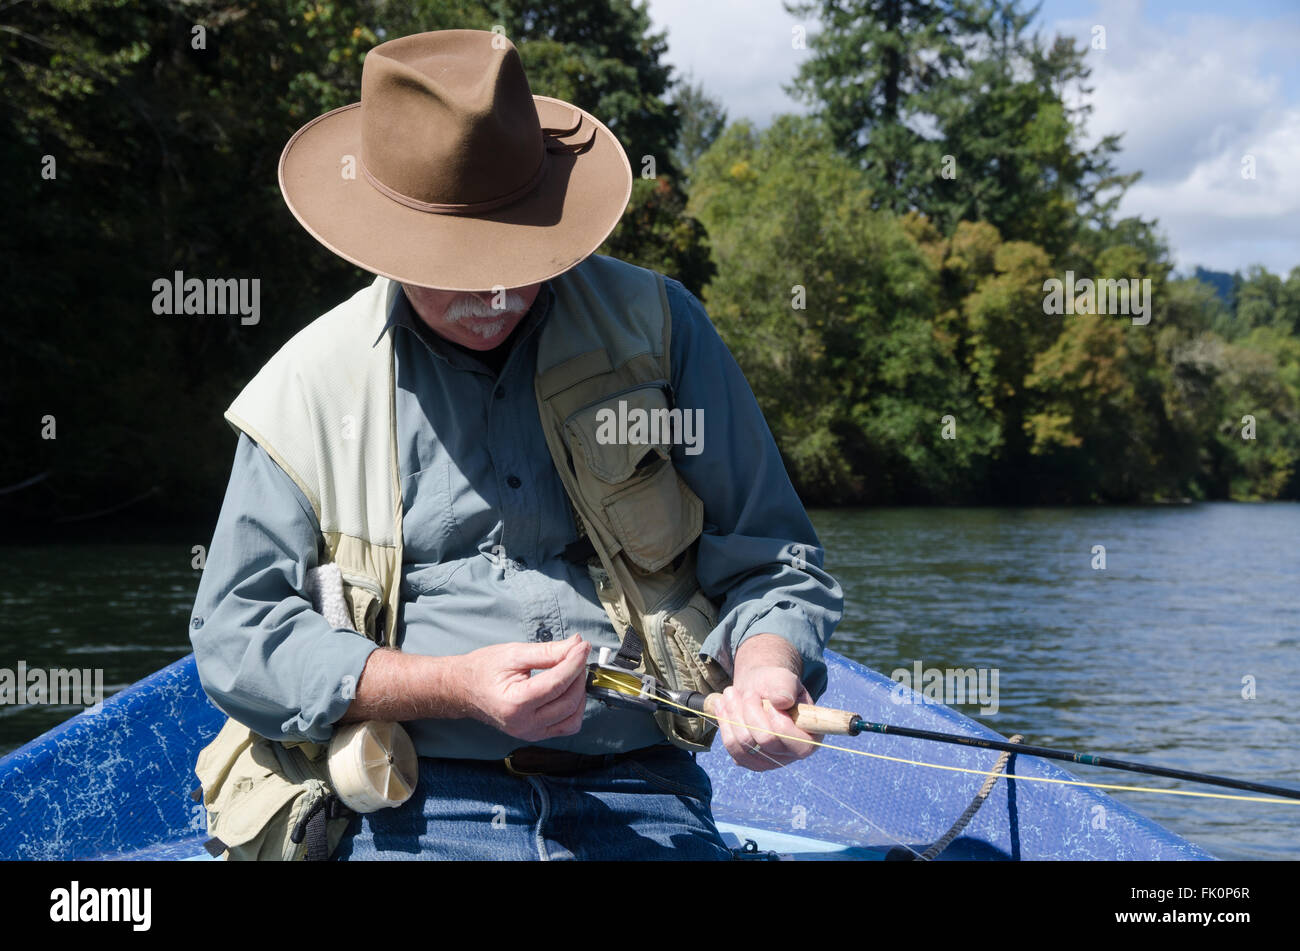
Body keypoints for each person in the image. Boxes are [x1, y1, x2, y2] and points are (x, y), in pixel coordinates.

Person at [189, 29, 842, 861]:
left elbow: (771, 559)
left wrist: (766, 668)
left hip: (641, 783)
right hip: (414, 793)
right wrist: (449, 687)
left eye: (513, 255)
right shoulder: (307, 387)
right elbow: (236, 632)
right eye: (455, 267)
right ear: (387, 239)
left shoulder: (664, 330)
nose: (490, 293)